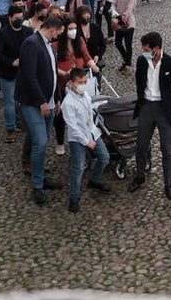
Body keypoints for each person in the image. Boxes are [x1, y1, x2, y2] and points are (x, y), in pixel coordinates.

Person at [128, 31, 171, 201]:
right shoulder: (141, 61)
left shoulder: (170, 62)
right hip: (146, 106)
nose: (143, 51)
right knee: (141, 145)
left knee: (167, 149)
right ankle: (140, 176)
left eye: (146, 49)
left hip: (164, 109)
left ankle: (168, 185)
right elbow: (139, 81)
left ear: (157, 49)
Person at [17, 13, 67, 205]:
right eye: (58, 33)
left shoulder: (49, 46)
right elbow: (29, 77)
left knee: (42, 142)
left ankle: (40, 177)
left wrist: (57, 98)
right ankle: (37, 185)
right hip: (33, 103)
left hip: (50, 102)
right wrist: (41, 101)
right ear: (52, 29)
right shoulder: (31, 44)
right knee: (40, 141)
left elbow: (53, 75)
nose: (58, 37)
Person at [62, 67, 112, 212]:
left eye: (85, 81)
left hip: (91, 133)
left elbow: (90, 117)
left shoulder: (86, 96)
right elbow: (73, 127)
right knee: (78, 167)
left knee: (104, 157)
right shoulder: (68, 103)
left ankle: (94, 180)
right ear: (72, 83)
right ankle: (74, 197)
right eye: (80, 82)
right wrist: (87, 141)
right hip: (77, 139)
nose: (83, 84)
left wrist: (94, 130)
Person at [53, 14, 101, 155]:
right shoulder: (56, 46)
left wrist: (93, 65)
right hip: (63, 84)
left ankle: (85, 137)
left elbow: (87, 57)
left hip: (78, 82)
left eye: (75, 28)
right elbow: (51, 65)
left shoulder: (79, 41)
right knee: (60, 114)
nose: (73, 31)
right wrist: (63, 72)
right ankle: (60, 142)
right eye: (70, 28)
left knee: (84, 112)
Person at [0, 3, 31, 143]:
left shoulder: (28, 31)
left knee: (20, 101)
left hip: (23, 72)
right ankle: (10, 128)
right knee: (9, 101)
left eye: (21, 17)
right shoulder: (3, 33)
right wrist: (11, 62)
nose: (19, 20)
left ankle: (19, 121)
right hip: (7, 72)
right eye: (16, 18)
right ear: (9, 18)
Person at [112, 0, 137, 72]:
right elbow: (114, 3)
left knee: (128, 44)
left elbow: (129, 10)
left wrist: (119, 18)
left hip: (128, 24)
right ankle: (126, 60)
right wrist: (114, 12)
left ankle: (128, 63)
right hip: (118, 22)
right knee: (118, 43)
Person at [75, 5, 106, 71]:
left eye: (88, 17)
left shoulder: (95, 28)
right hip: (80, 62)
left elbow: (103, 45)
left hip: (94, 61)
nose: (86, 19)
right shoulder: (76, 28)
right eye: (84, 18)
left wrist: (98, 55)